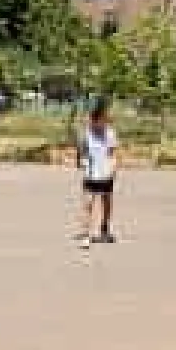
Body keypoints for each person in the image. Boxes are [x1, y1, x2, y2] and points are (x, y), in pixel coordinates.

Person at [75, 100, 118, 248]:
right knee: (88, 204)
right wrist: (81, 161)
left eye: (101, 119)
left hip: (106, 172)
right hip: (91, 173)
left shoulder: (110, 133)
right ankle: (86, 234)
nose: (98, 123)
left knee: (106, 202)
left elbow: (112, 152)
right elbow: (81, 150)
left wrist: (113, 167)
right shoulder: (86, 134)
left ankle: (104, 229)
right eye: (95, 119)